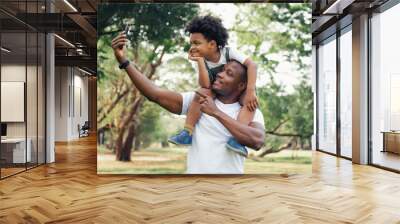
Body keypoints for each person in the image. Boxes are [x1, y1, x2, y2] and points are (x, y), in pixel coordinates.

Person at [111, 32, 265, 174]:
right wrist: (124, 61)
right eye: (222, 70)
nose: (220, 74)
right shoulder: (197, 102)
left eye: (229, 74)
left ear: (241, 86)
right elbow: (154, 94)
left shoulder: (249, 110)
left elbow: (257, 141)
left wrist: (216, 112)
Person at [168, 15, 259, 158]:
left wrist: (250, 91)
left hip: (237, 88)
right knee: (201, 92)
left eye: (196, 43)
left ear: (212, 44)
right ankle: (187, 132)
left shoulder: (228, 52)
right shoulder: (203, 60)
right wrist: (199, 62)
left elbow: (252, 65)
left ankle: (238, 139)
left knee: (248, 103)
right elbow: (205, 84)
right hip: (217, 88)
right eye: (191, 44)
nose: (192, 47)